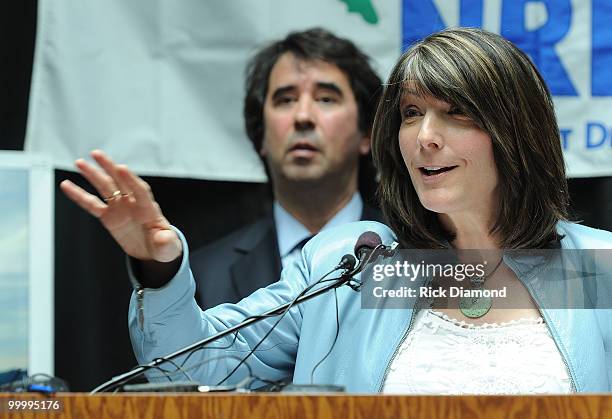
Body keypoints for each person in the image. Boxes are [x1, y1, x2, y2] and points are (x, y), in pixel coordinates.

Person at [62, 28, 612, 393]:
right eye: (412, 113)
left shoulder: (598, 268)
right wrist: (160, 266)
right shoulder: (355, 265)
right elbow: (190, 369)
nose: (425, 137)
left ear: (516, 131)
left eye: (455, 114)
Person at [189, 28, 383, 308]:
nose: (303, 117)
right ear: (262, 135)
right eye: (286, 100)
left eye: (326, 99)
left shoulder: (416, 258)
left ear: (367, 133)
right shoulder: (203, 277)